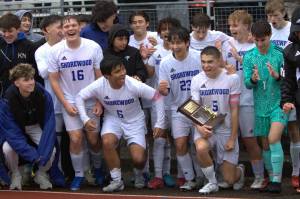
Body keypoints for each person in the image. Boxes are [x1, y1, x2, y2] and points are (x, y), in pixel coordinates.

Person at [75, 55, 165, 192]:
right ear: (106, 76)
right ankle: (117, 181)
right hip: (113, 119)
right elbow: (80, 96)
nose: (123, 73)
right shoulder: (99, 85)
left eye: (123, 69)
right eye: (117, 71)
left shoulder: (133, 84)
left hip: (135, 120)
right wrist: (85, 119)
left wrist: (159, 123)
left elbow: (157, 96)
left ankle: (140, 173)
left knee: (138, 159)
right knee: (107, 141)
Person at [48, 15, 103, 191]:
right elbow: (54, 81)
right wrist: (64, 103)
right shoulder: (55, 51)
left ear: (79, 27)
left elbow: (99, 76)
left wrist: (100, 102)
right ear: (62, 31)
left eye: (73, 25)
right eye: (66, 26)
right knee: (76, 138)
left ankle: (98, 168)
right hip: (70, 100)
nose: (70, 29)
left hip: (90, 99)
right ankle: (79, 174)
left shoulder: (93, 47)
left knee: (94, 139)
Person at [243, 20, 288, 193]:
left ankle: (277, 181)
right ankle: (271, 177)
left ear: (270, 36)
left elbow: (287, 79)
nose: (260, 44)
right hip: (260, 106)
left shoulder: (279, 53)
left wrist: (277, 76)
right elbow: (247, 83)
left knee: (273, 138)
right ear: (252, 38)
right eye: (257, 40)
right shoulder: (249, 56)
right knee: (266, 145)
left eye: (263, 40)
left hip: (279, 104)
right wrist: (253, 79)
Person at [191, 46, 244, 194]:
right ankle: (212, 182)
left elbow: (234, 110)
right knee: (200, 147)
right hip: (206, 126)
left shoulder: (231, 78)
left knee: (229, 180)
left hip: (226, 129)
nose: (206, 65)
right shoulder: (196, 80)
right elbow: (193, 108)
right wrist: (199, 127)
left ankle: (239, 171)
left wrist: (233, 138)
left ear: (219, 60)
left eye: (210, 62)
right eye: (203, 62)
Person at [222, 10, 264, 189]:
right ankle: (234, 175)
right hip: (229, 100)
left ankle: (260, 176)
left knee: (250, 140)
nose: (232, 28)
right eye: (230, 25)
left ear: (247, 27)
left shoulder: (255, 46)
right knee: (228, 141)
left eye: (236, 25)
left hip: (248, 100)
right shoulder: (226, 44)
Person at [1, 63, 56, 190]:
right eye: (26, 80)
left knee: (51, 150)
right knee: (7, 149)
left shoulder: (42, 94)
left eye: (32, 78)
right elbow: (11, 131)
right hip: (16, 127)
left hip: (34, 125)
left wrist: (42, 154)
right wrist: (33, 156)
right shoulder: (7, 99)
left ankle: (40, 173)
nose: (31, 82)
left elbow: (49, 122)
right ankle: (15, 174)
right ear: (16, 83)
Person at [158, 26, 201, 191]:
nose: (175, 46)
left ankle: (205, 177)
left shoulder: (198, 57)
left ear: (187, 42)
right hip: (178, 107)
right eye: (172, 43)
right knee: (181, 144)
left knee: (201, 145)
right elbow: (165, 90)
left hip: (199, 106)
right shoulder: (165, 63)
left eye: (179, 43)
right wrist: (162, 90)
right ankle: (190, 178)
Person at [146, 17, 181, 189]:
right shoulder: (156, 51)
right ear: (159, 33)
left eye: (170, 28)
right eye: (163, 29)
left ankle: (181, 175)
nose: (167, 31)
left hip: (178, 101)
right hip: (159, 101)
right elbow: (149, 73)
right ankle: (159, 174)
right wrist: (145, 58)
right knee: (159, 139)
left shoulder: (182, 50)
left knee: (180, 139)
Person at [281, 6, 300, 192]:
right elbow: (288, 80)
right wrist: (286, 100)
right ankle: (296, 173)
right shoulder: (289, 51)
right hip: (296, 98)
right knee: (295, 135)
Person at [0, 13, 37, 96]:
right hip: (3, 93)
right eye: (4, 31)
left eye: (10, 31)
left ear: (18, 29)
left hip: (24, 93)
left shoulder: (29, 46)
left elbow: (35, 73)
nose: (6, 34)